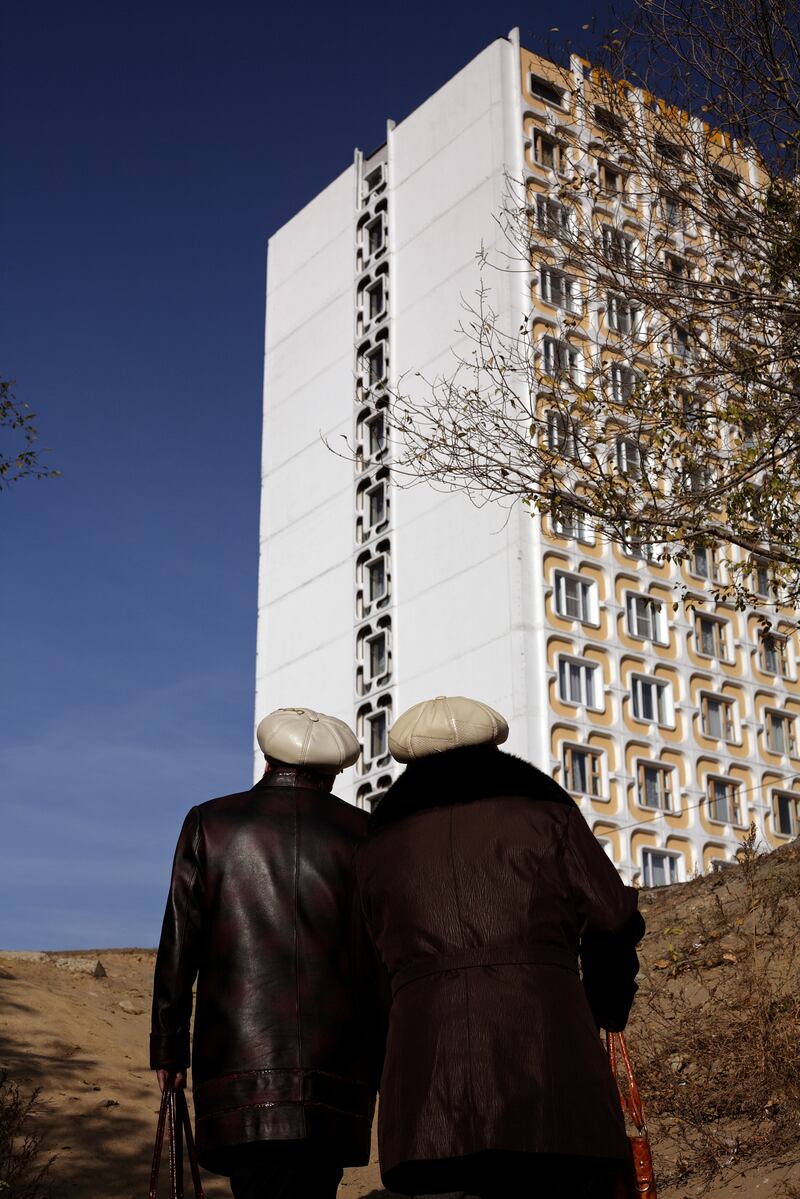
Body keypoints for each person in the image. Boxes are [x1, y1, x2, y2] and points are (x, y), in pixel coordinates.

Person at [353, 695, 646, 1199]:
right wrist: (606, 1002)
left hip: (426, 1088)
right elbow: (614, 916)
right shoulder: (546, 812)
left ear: (407, 758)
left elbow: (365, 967)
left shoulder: (378, 846)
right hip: (551, 1062)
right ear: (495, 743)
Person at [150, 706, 378, 1199]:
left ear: (269, 760)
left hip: (238, 1071)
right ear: (332, 773)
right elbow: (380, 955)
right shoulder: (365, 834)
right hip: (336, 1075)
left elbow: (178, 945)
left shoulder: (210, 823)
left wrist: (168, 1048)